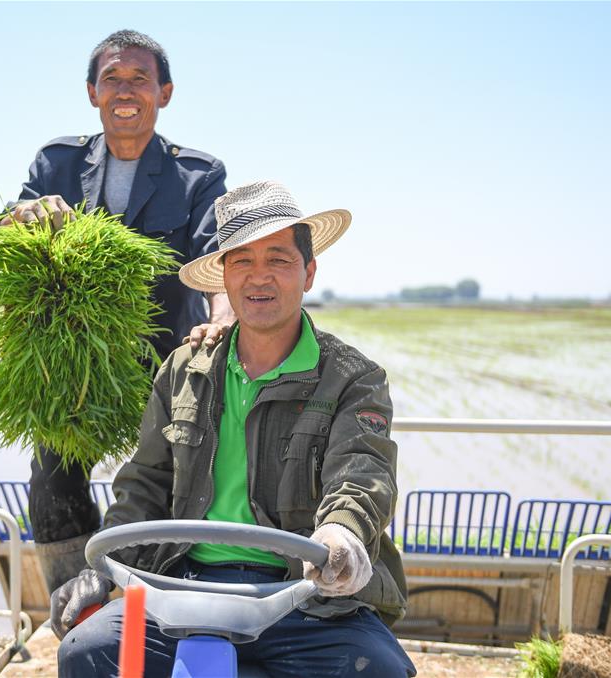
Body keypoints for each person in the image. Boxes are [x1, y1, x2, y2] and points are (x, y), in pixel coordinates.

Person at [53, 181, 417, 678]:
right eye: (241, 261)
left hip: (302, 595)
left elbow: (362, 475)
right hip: (181, 588)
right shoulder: (184, 369)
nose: (258, 277)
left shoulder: (352, 377)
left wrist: (340, 534)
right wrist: (100, 566)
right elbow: (144, 484)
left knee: (377, 669)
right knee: (85, 652)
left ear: (308, 273)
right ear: (223, 278)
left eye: (278, 260)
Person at [0, 29, 234, 592]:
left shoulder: (198, 174)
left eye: (139, 79)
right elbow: (4, 226)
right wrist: (25, 215)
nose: (125, 90)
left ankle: (150, 600)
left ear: (165, 92)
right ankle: (72, 599)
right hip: (72, 359)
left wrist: (223, 312)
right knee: (52, 477)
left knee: (171, 478)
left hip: (166, 359)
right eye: (112, 79)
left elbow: (216, 259)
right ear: (91, 92)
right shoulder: (58, 163)